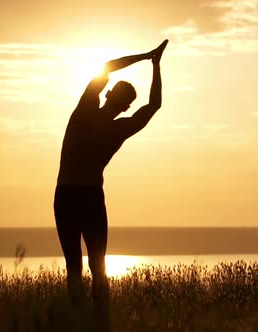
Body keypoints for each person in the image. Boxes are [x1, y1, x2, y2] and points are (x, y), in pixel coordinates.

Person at [53, 40, 168, 330]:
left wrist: (146, 57)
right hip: (86, 196)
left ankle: (89, 322)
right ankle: (99, 322)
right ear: (125, 104)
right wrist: (154, 64)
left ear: (108, 93)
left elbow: (107, 67)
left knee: (77, 267)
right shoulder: (118, 128)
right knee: (95, 268)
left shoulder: (86, 110)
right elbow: (154, 105)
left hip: (71, 195)